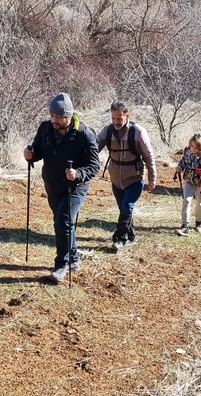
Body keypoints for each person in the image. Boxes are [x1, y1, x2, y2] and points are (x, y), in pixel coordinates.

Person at [24, 93, 100, 283]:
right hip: (53, 184)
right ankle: (73, 257)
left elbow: (93, 166)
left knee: (63, 221)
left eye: (59, 117)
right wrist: (30, 155)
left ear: (69, 116)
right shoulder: (45, 128)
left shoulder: (84, 134)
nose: (54, 120)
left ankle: (61, 264)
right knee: (61, 222)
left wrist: (78, 174)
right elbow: (38, 150)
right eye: (52, 116)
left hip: (75, 187)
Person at [96, 101, 157, 251]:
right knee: (123, 210)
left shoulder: (138, 132)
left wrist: (152, 176)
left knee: (126, 208)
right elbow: (94, 148)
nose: (116, 122)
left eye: (119, 118)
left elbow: (148, 156)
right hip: (116, 180)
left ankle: (119, 239)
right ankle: (130, 235)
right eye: (113, 118)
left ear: (127, 116)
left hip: (134, 178)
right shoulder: (107, 131)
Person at [173, 133, 201, 236]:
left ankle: (199, 223)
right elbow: (183, 161)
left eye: (195, 147)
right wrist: (180, 167)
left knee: (200, 202)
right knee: (186, 200)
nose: (192, 149)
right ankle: (185, 225)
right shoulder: (187, 150)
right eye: (191, 146)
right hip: (189, 180)